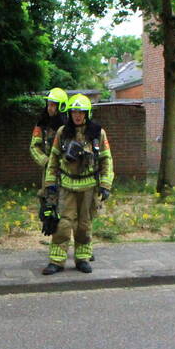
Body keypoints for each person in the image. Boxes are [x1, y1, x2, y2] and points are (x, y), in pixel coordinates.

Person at [42, 93, 114, 275]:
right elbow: (53, 159)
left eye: (81, 112)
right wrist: (49, 183)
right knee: (63, 224)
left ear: (87, 113)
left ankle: (82, 259)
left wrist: (105, 185)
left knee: (84, 224)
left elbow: (106, 160)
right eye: (74, 112)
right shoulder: (62, 132)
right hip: (66, 187)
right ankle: (57, 261)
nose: (77, 115)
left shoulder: (97, 133)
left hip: (89, 187)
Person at [30, 87, 68, 174]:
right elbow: (34, 146)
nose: (49, 108)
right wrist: (46, 161)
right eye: (48, 104)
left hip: (68, 172)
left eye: (52, 105)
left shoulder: (70, 125)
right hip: (50, 172)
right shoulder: (42, 124)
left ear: (61, 106)